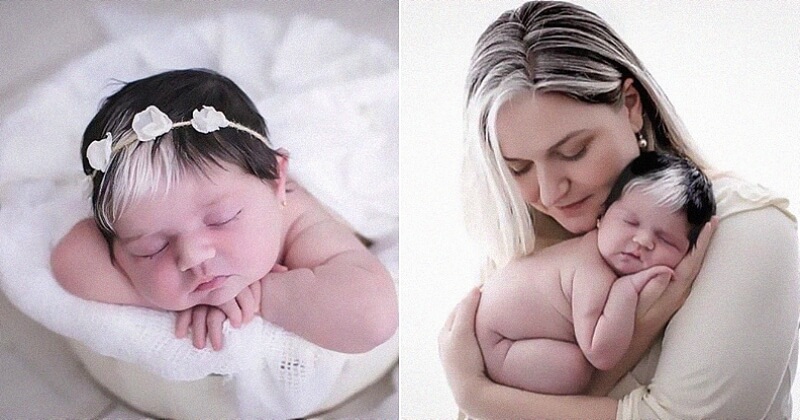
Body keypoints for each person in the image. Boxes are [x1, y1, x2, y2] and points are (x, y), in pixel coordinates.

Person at [439, 1, 798, 418]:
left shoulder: (747, 228)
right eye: (517, 168)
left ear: (630, 105)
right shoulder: (535, 243)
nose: (551, 193)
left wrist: (481, 397)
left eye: (574, 152)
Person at [50, 69, 398, 353]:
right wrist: (172, 300)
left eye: (222, 219)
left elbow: (372, 318)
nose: (192, 257)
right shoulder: (199, 204)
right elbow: (71, 258)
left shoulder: (298, 220)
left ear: (277, 181)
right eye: (150, 248)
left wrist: (262, 296)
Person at [477, 151, 716, 395]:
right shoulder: (590, 271)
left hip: (509, 334)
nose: (643, 240)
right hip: (501, 345)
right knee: (576, 370)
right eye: (630, 222)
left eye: (666, 240)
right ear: (601, 216)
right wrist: (627, 291)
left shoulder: (595, 254)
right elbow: (601, 353)